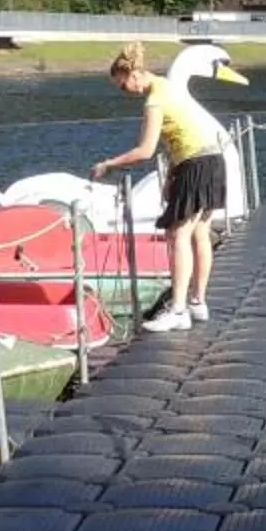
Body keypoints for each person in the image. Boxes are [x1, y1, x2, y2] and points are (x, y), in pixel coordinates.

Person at [94, 41, 232, 332]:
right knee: (200, 233)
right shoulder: (168, 86)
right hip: (212, 160)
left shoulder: (154, 100)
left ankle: (179, 310)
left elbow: (145, 150)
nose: (124, 93)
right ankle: (198, 302)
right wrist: (171, 176)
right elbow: (178, 134)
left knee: (177, 235)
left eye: (122, 86)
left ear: (133, 75)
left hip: (195, 164)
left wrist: (109, 164)